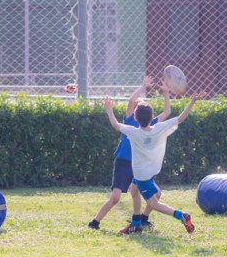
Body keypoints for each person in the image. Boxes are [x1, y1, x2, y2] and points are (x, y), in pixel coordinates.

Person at [102, 91, 206, 235]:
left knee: (153, 204)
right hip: (151, 171)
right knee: (133, 190)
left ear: (136, 118)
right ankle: (136, 224)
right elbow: (180, 118)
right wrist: (192, 102)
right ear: (152, 118)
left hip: (141, 175)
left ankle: (180, 215)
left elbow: (115, 124)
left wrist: (109, 109)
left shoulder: (133, 132)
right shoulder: (159, 128)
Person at [88, 77, 172, 232]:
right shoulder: (129, 121)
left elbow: (167, 112)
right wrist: (143, 86)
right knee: (115, 198)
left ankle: (143, 220)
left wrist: (166, 93)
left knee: (157, 194)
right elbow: (131, 101)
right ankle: (95, 222)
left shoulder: (151, 124)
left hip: (139, 165)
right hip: (123, 161)